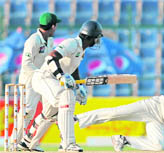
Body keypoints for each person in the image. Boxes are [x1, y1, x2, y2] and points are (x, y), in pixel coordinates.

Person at [18, 20, 103, 152]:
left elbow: (73, 69)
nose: (97, 41)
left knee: (49, 114)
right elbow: (51, 58)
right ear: (88, 37)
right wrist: (61, 76)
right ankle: (67, 144)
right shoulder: (72, 43)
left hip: (52, 81)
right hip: (44, 77)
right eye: (96, 38)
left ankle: (27, 143)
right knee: (67, 96)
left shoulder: (81, 51)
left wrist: (79, 87)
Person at [11, 12, 61, 151]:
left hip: (43, 80)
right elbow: (26, 64)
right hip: (30, 81)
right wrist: (41, 73)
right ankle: (15, 143)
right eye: (55, 26)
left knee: (50, 110)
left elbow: (48, 61)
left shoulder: (49, 41)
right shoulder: (33, 40)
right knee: (28, 112)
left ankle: (32, 143)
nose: (55, 29)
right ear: (52, 26)